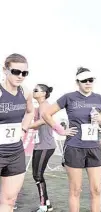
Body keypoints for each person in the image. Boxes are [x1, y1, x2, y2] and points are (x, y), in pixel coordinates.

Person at [42, 67, 101, 212]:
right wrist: (61, 130)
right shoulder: (68, 97)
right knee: (75, 190)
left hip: (94, 147)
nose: (88, 83)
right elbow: (46, 114)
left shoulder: (99, 98)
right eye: (84, 80)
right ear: (77, 82)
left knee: (96, 190)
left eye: (91, 80)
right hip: (74, 147)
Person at [0, 53, 34, 212]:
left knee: (10, 200)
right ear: (4, 70)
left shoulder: (25, 92)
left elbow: (30, 112)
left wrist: (23, 129)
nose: (20, 76)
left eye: (24, 73)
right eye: (16, 72)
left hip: (15, 152)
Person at [28, 84, 56, 212]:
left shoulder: (45, 105)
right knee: (37, 175)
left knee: (37, 176)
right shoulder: (39, 107)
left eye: (36, 90)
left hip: (46, 145)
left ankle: (44, 205)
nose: (33, 92)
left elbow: (44, 120)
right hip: (40, 145)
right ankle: (47, 203)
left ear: (43, 93)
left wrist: (28, 126)